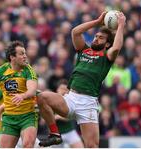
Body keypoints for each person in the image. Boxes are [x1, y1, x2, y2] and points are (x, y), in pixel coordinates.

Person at [37, 11, 126, 147]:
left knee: (92, 146)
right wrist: (97, 22)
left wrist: (120, 26)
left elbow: (117, 47)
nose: (96, 39)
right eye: (96, 36)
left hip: (88, 103)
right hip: (71, 97)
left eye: (101, 38)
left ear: (107, 44)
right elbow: (75, 32)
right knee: (42, 97)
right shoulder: (84, 50)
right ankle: (55, 134)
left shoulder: (106, 56)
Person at [53, 80, 84, 148]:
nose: (63, 91)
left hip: (69, 131)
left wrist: (58, 117)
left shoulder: (70, 101)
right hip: (56, 134)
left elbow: (70, 117)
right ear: (57, 89)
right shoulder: (52, 101)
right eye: (61, 89)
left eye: (65, 89)